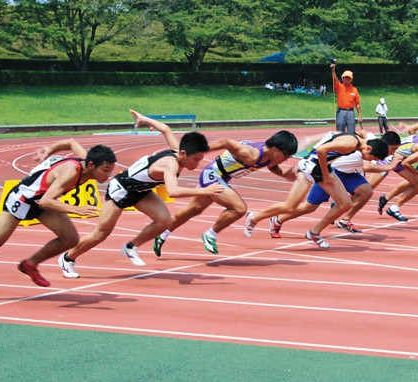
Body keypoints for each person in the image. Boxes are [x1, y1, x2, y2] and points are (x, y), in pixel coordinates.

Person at [57, 110, 222, 278]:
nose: (198, 163)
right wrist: (204, 190)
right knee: (101, 234)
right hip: (121, 189)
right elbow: (172, 191)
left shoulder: (177, 150)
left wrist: (144, 119)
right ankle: (68, 258)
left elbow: (165, 129)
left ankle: (130, 247)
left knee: (164, 220)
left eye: (201, 159)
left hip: (141, 190)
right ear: (183, 154)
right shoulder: (170, 164)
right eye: (196, 159)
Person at [152, 130, 298, 255]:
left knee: (193, 209)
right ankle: (210, 234)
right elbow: (225, 142)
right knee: (239, 208)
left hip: (223, 178)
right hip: (213, 174)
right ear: (275, 149)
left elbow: (272, 166)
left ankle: (162, 234)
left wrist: (285, 174)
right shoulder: (250, 154)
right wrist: (197, 151)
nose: (286, 159)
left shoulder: (271, 157)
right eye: (287, 155)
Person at [0, 140, 116, 286]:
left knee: (70, 239)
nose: (108, 175)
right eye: (105, 170)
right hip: (23, 200)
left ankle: (30, 264)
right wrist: (77, 209)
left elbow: (71, 143)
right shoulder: (71, 172)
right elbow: (46, 201)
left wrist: (49, 149)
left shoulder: (88, 160)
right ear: (91, 165)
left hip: (42, 204)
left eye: (110, 170)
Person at [245, 131, 388, 248]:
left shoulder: (356, 139)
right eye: (371, 158)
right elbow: (321, 149)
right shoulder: (350, 144)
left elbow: (332, 135)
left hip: (323, 167)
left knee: (345, 204)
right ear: (368, 148)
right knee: (291, 205)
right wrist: (325, 174)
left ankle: (314, 232)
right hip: (311, 166)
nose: (368, 160)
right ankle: (255, 217)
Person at [331, 63, 362, 133]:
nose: (347, 79)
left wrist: (360, 115)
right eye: (346, 77)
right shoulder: (340, 87)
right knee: (340, 132)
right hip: (341, 111)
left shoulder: (354, 90)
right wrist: (333, 71)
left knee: (351, 132)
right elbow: (335, 80)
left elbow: (357, 104)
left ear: (351, 79)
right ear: (343, 78)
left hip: (351, 112)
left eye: (349, 78)